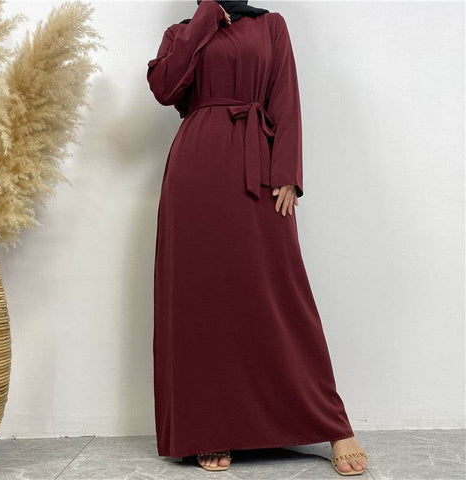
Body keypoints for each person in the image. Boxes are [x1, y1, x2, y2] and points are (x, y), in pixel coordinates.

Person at [146, 0, 369, 475]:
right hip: (195, 173)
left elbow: (285, 94)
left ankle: (332, 422)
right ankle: (208, 427)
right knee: (201, 300)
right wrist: (206, 17)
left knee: (282, 294)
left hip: (259, 169)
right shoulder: (181, 31)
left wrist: (287, 172)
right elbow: (165, 88)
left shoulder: (271, 25)